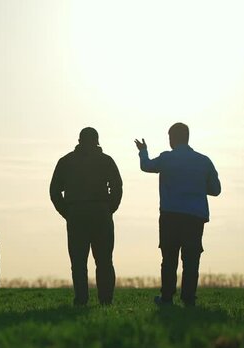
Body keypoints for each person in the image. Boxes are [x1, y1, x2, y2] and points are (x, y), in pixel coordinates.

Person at [134, 123, 221, 307]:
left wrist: (143, 151)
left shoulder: (166, 159)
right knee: (191, 260)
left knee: (169, 258)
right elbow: (216, 189)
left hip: (170, 216)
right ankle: (189, 299)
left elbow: (147, 166)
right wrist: (196, 186)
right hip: (195, 217)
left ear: (172, 138)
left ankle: (167, 298)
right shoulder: (204, 161)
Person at [50, 127, 122, 306]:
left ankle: (81, 300)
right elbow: (117, 187)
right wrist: (109, 208)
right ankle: (106, 301)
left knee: (78, 262)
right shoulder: (106, 161)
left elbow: (54, 191)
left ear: (79, 140)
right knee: (105, 261)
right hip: (101, 214)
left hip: (77, 215)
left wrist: (67, 212)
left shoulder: (66, 161)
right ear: (97, 141)